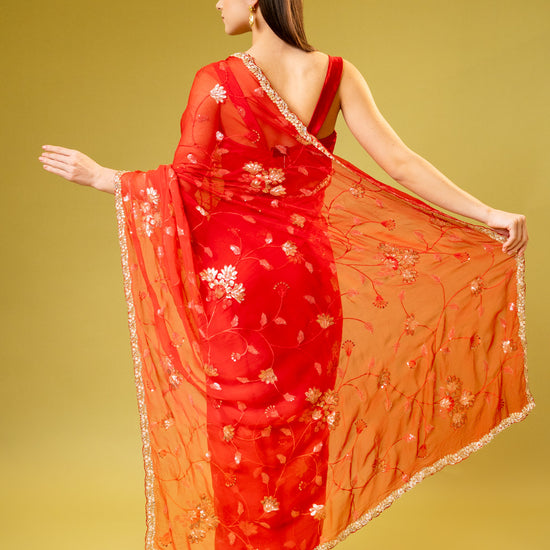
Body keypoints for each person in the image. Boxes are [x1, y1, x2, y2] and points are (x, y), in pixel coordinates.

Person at [38, 1, 534, 549]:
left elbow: (185, 184)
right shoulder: (338, 75)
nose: (216, 2)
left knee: (240, 430)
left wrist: (105, 177)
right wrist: (486, 213)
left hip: (240, 288)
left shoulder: (217, 79)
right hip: (308, 282)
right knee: (303, 429)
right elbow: (400, 163)